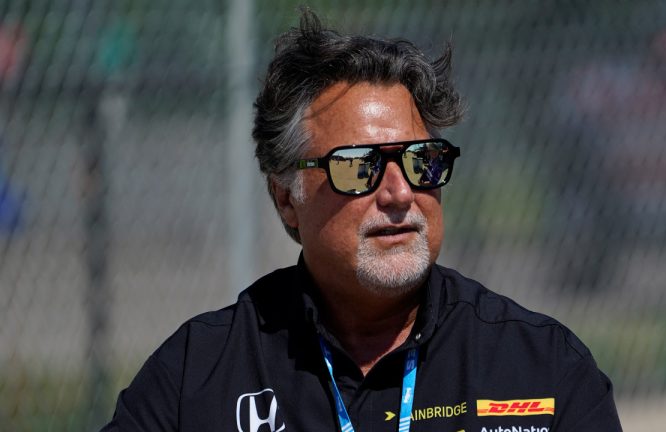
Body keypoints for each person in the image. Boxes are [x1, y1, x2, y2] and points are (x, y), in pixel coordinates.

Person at [102, 10, 622, 432]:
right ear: (286, 198)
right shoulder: (198, 380)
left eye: (422, 161)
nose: (399, 193)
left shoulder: (542, 367)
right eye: (359, 167)